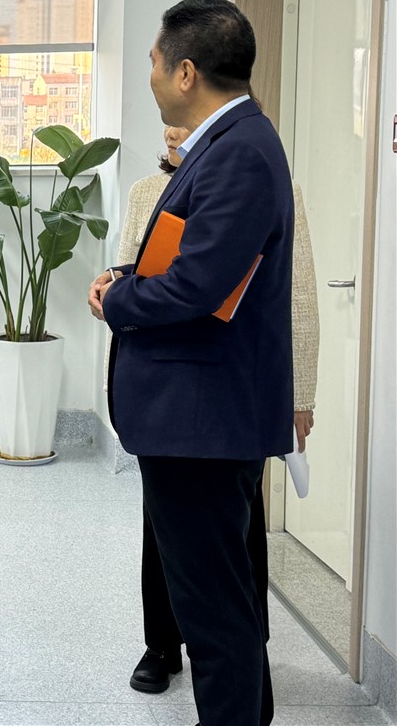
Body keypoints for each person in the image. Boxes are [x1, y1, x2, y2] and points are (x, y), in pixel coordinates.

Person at [90, 0, 294, 726]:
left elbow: (200, 288)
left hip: (201, 422)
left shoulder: (238, 152)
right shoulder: (227, 143)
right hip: (199, 418)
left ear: (185, 72)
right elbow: (194, 260)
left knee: (212, 616)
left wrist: (118, 301)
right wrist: (128, 277)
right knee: (222, 601)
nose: (148, 73)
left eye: (152, 59)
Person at [114, 123, 319, 695]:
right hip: (165, 391)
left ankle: (246, 651)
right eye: (169, 123)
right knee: (162, 527)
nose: (175, 129)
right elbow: (132, 276)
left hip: (232, 393)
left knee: (238, 527)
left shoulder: (271, 187)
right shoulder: (146, 193)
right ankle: (162, 643)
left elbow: (298, 294)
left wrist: (301, 395)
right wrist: (111, 290)